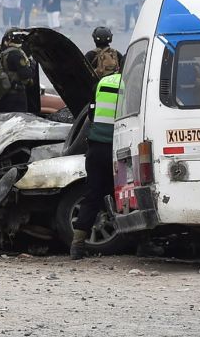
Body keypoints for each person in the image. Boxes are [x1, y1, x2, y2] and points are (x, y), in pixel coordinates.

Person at [71, 73, 121, 260]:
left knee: (92, 196)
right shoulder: (135, 82)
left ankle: (77, 245)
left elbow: (91, 114)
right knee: (129, 196)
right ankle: (143, 243)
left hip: (97, 147)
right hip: (120, 148)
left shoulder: (103, 82)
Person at [0, 30, 35, 114]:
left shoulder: (3, 53)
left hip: (4, 95)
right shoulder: (16, 54)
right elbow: (25, 74)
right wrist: (32, 65)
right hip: (16, 96)